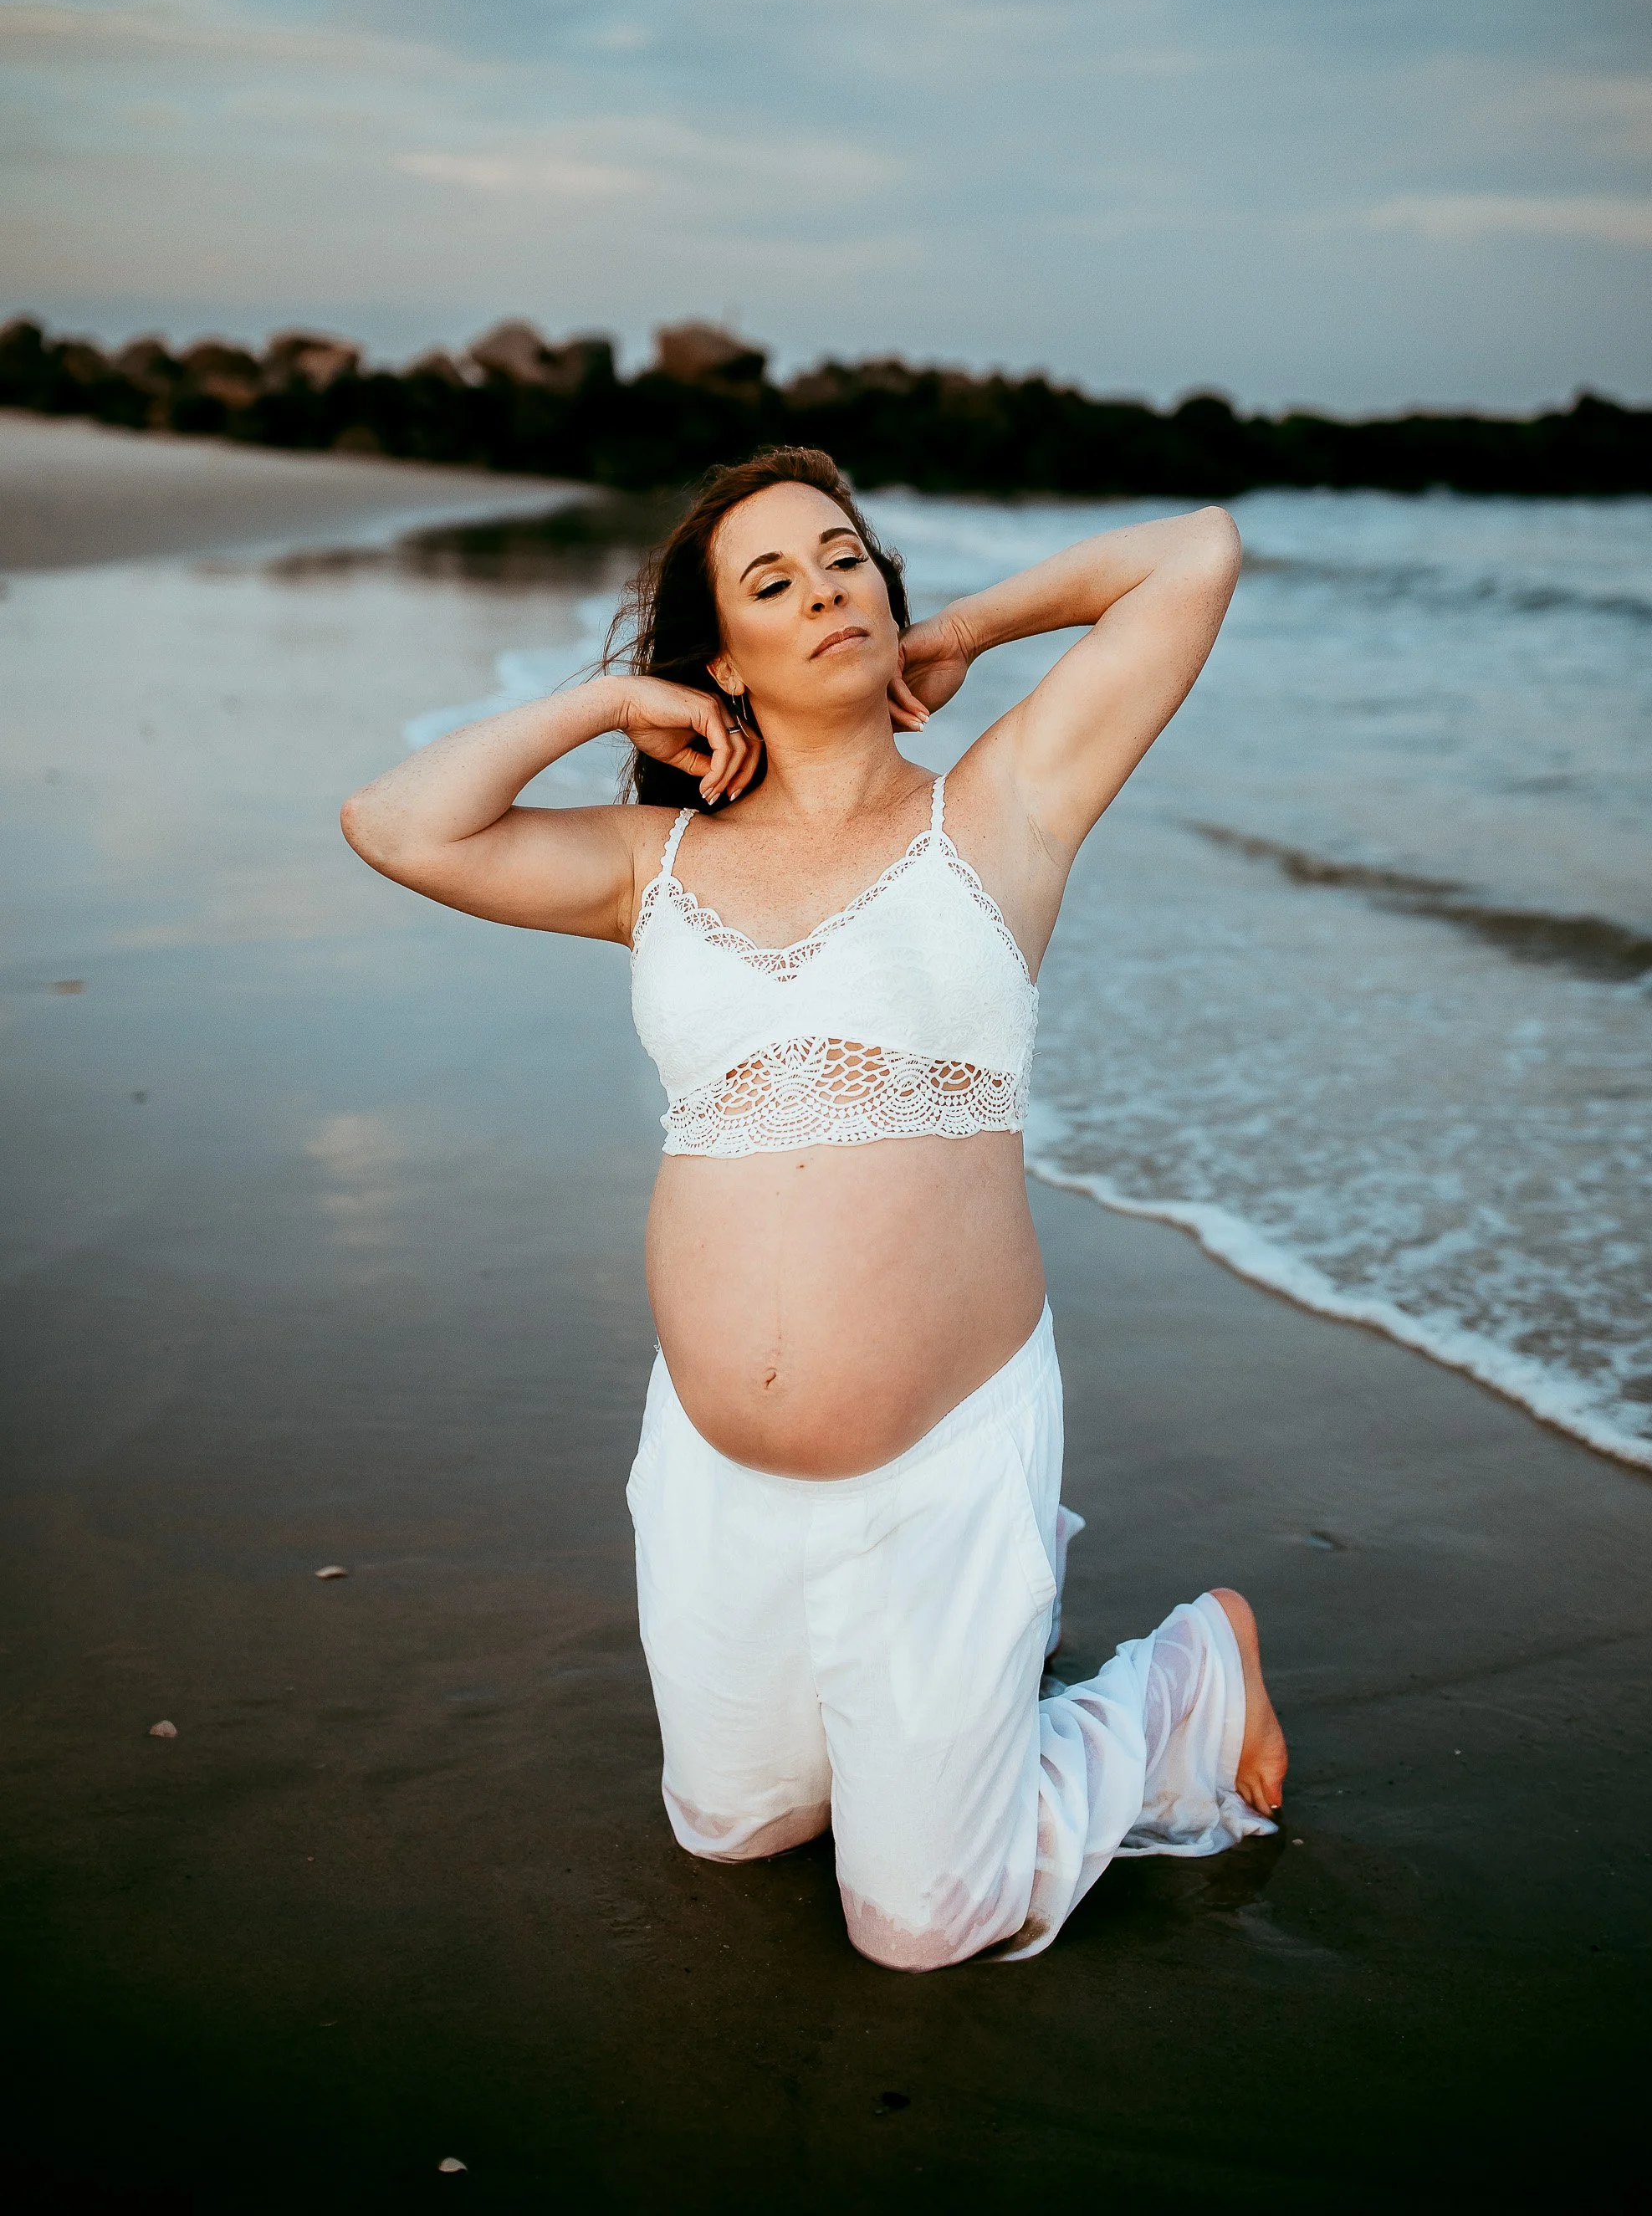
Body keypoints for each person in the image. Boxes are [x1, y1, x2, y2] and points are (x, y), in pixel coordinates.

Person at [340, 445, 1286, 1970]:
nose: (827, 589)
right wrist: (606, 706)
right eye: (771, 582)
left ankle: (1186, 1677)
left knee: (926, 1928)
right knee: (733, 1830)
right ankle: (947, 1694)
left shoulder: (1004, 808)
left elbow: (1194, 554)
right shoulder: (653, 865)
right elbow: (399, 823)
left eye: (846, 558)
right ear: (722, 657)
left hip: (944, 1446)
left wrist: (969, 628)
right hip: (715, 1469)